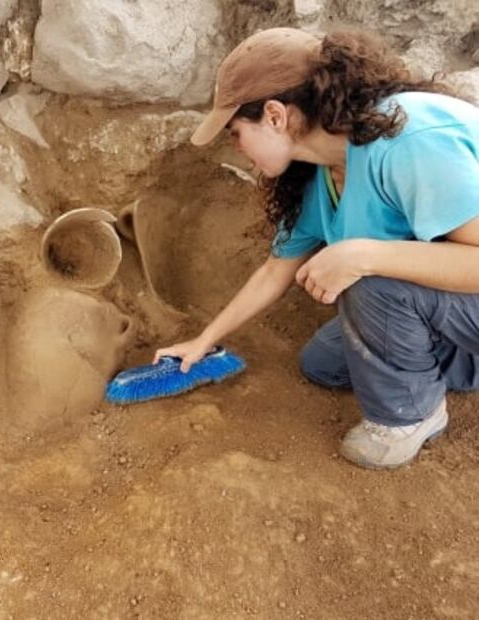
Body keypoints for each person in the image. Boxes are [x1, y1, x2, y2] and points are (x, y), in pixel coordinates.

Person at [153, 27, 479, 469]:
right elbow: (275, 270)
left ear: (274, 115)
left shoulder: (411, 142)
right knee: (323, 362)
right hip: (459, 304)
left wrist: (362, 256)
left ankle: (411, 415)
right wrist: (203, 342)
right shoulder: (324, 175)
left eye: (235, 133)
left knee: (371, 285)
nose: (237, 149)